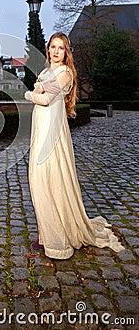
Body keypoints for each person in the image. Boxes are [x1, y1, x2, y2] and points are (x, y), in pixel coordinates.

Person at [24, 31, 124, 259]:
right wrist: (37, 90)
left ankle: (57, 242)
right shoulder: (48, 71)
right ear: (48, 49)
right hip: (41, 133)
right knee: (41, 183)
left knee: (48, 182)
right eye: (52, 47)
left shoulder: (64, 73)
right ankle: (47, 235)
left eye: (60, 48)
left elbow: (45, 98)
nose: (55, 51)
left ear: (66, 52)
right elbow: (41, 90)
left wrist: (28, 94)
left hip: (52, 136)